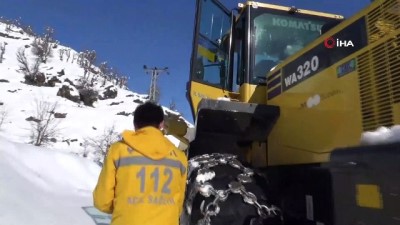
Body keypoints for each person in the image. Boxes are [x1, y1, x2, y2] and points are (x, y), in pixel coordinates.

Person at [93, 101, 188, 225]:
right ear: (161, 124)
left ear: (135, 124)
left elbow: (102, 201)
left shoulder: (118, 151)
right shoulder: (179, 157)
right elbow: (178, 206)